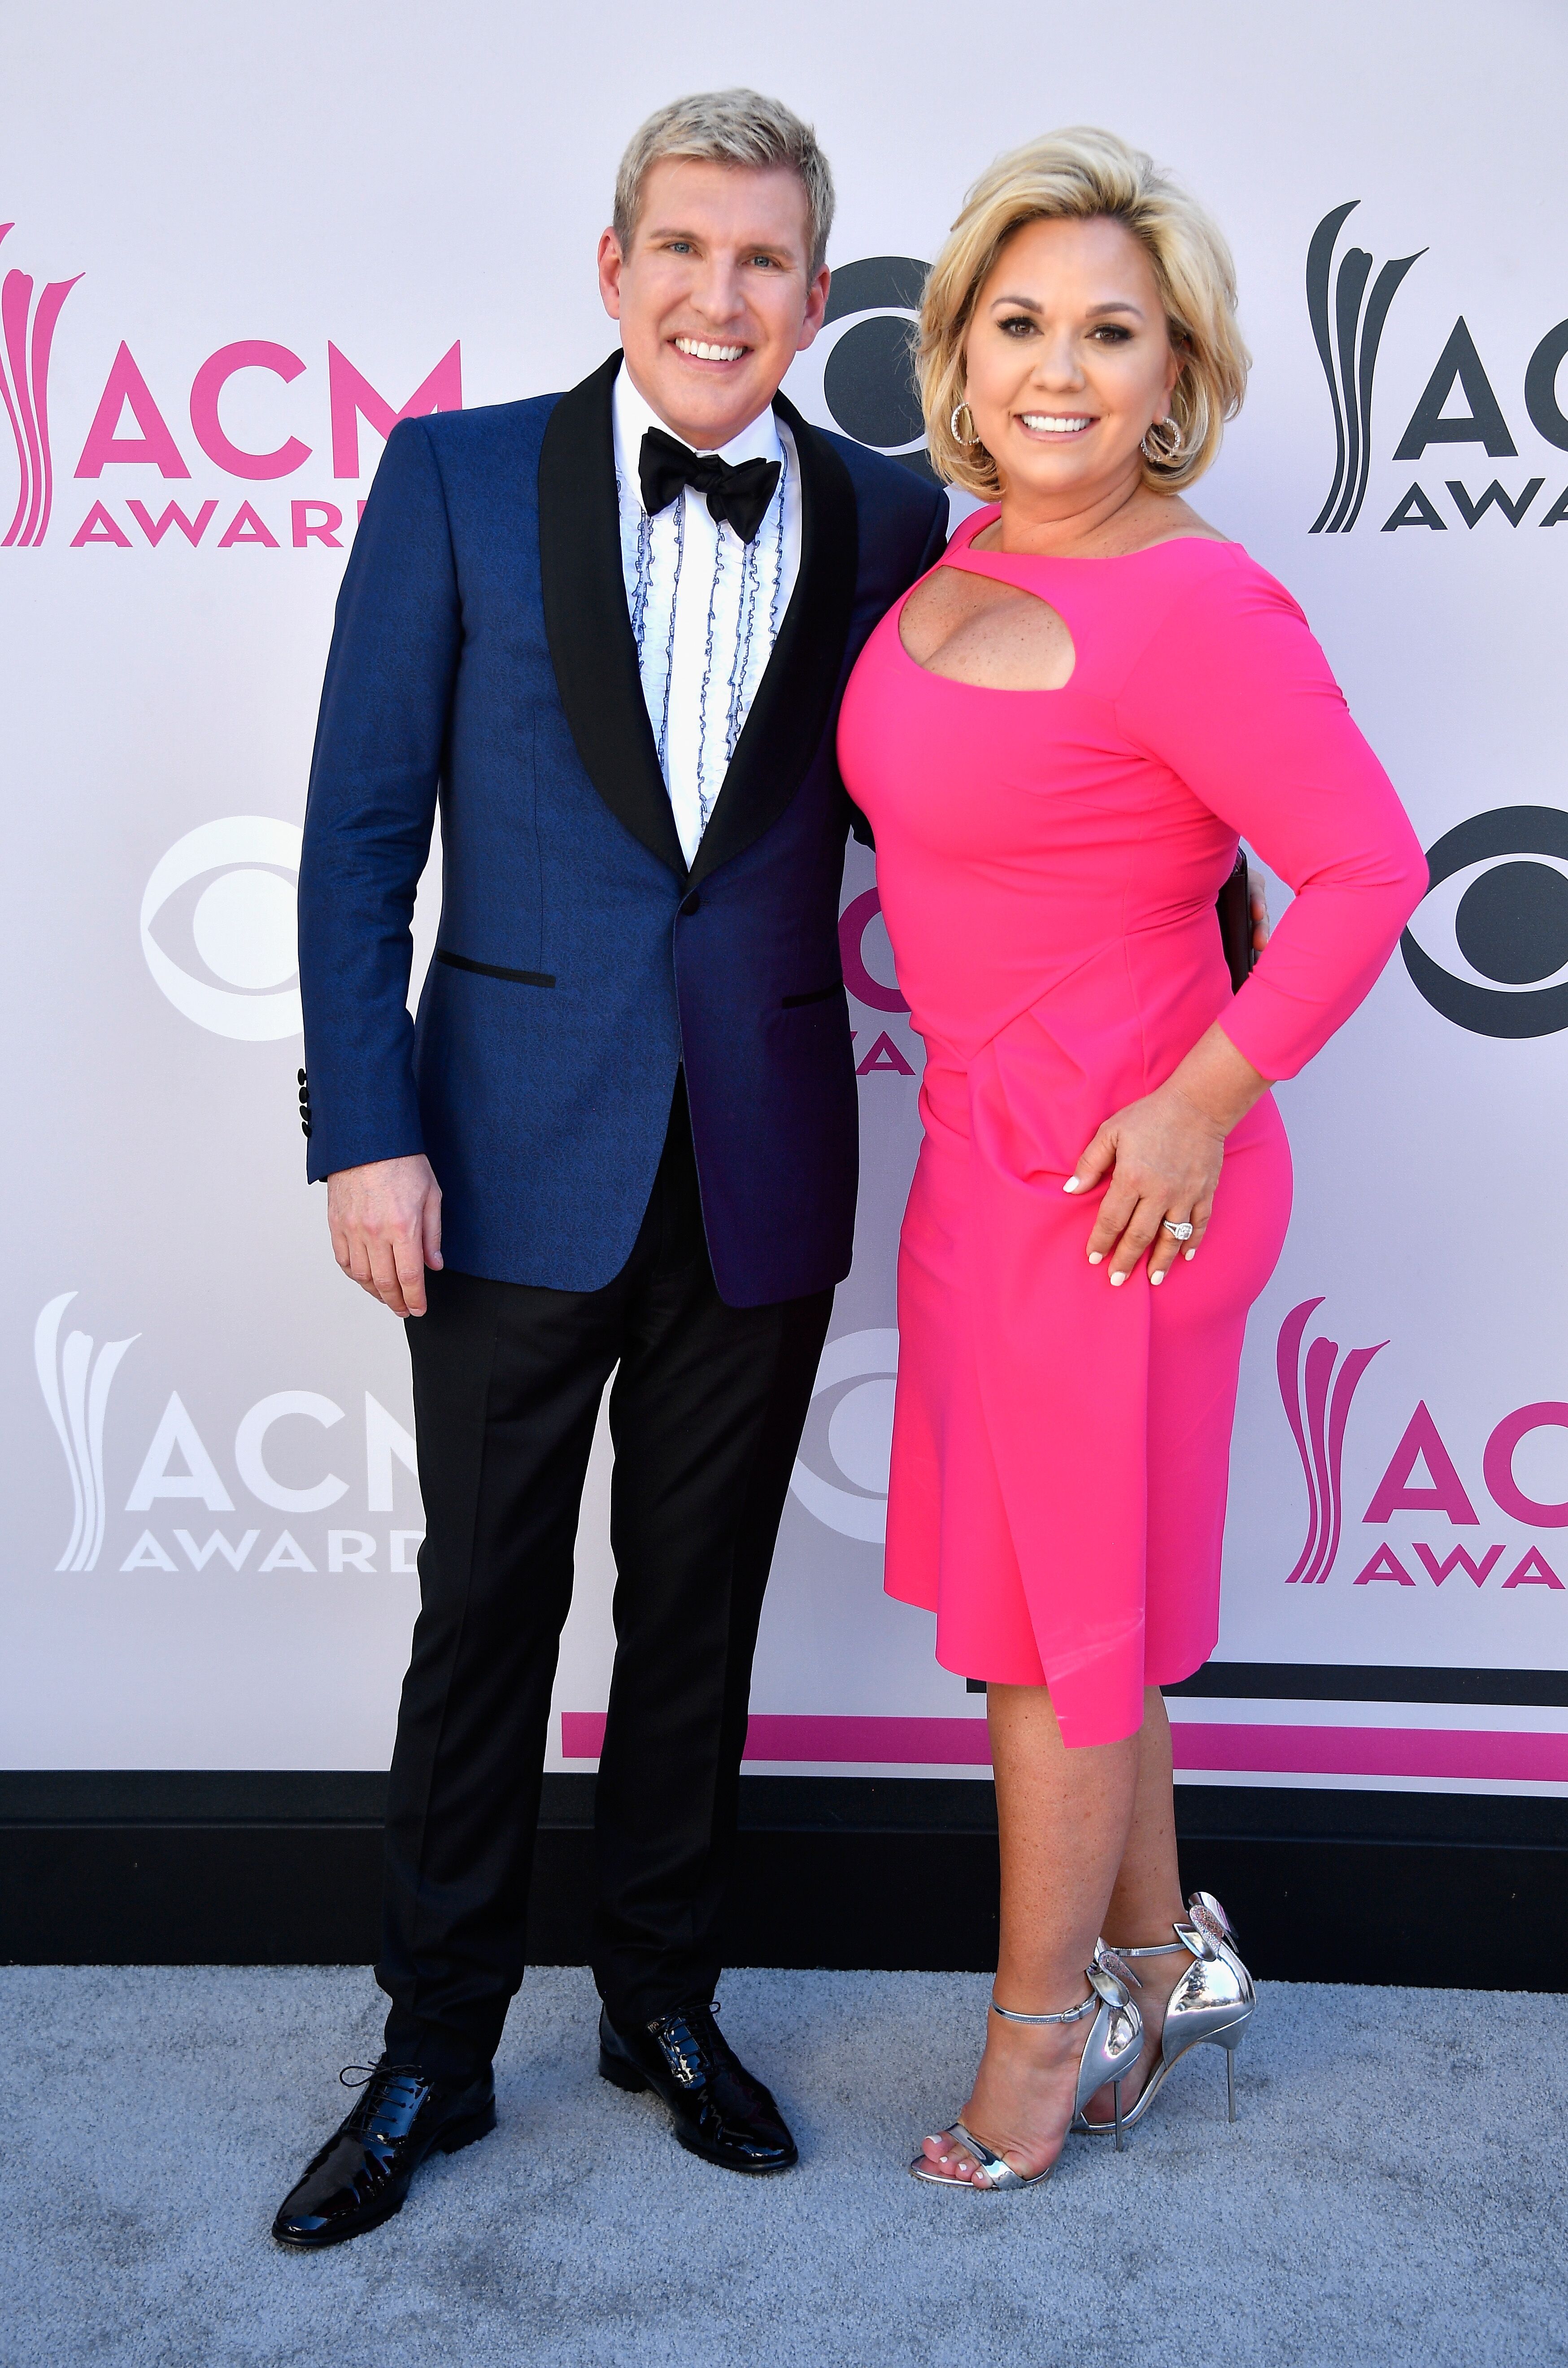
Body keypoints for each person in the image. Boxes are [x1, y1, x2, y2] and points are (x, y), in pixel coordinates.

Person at [274, 89, 950, 2247]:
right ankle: (434, 2050)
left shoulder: (890, 521)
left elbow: (992, 801)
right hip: (493, 1160)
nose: (716, 295)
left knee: (699, 1624)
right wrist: (365, 1130)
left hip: (756, 1156)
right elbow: (359, 832)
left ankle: (662, 2003)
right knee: (481, 1611)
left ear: (812, 298)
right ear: (611, 266)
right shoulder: (459, 477)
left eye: (762, 262)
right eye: (680, 249)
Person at [837, 127, 1427, 2189]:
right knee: (1069, 1606)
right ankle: (1162, 1966)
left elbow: (1364, 871)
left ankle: (1036, 2043)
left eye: (1111, 329)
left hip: (1123, 1181)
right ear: (957, 354)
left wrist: (1199, 1099)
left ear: (1177, 372)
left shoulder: (1195, 604)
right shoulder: (966, 553)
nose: (1058, 367)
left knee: (1046, 1638)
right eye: (1018, 324)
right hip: (977, 1168)